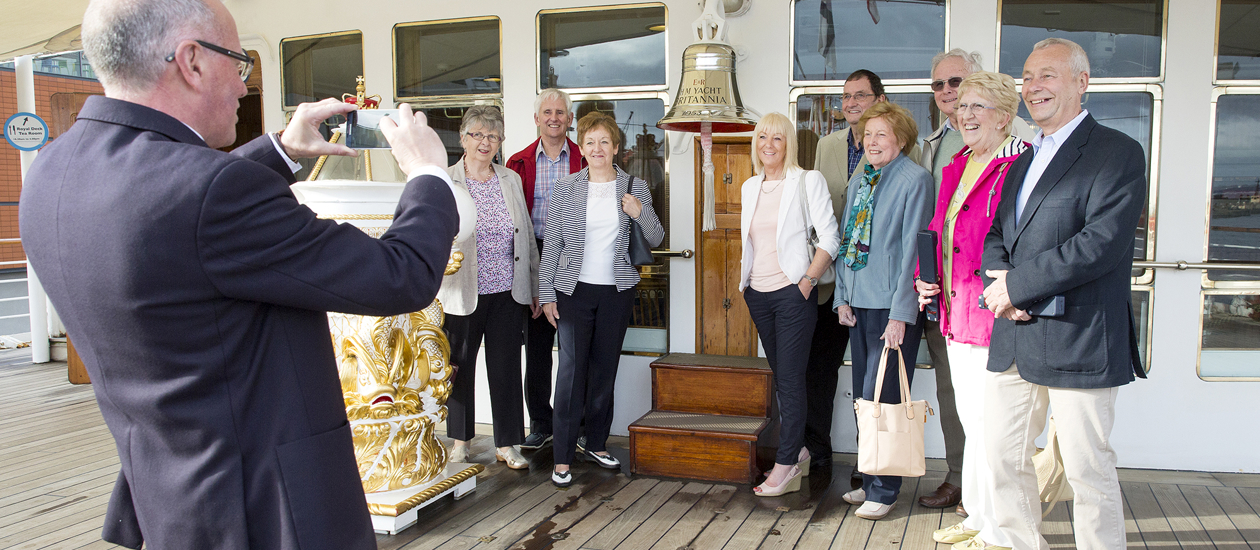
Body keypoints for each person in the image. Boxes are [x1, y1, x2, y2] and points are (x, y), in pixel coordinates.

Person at [17, 0, 459, 548]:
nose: (245, 86)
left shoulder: (52, 174)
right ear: (192, 61)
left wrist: (281, 150)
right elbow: (401, 276)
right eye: (240, 61)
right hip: (268, 511)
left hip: (170, 498)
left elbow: (168, 209)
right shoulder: (209, 193)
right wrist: (428, 175)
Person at [980, 38, 1147, 550]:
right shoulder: (1020, 160)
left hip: (1079, 336)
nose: (1034, 87)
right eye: (1028, 77)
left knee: (1086, 470)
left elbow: (1099, 244)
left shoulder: (1117, 152)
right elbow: (996, 235)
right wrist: (1000, 278)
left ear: (1082, 81)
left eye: (1048, 75)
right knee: (1001, 459)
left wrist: (1016, 288)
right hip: (1015, 336)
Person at [915, 71, 1029, 550]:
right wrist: (926, 278)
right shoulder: (956, 164)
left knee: (994, 430)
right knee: (969, 418)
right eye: (962, 107)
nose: (965, 115)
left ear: (1005, 117)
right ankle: (980, 515)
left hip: (994, 316)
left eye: (978, 107)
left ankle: (1002, 528)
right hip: (954, 313)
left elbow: (1022, 242)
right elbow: (941, 235)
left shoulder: (1019, 165)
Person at [539, 112, 663, 487]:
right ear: (581, 146)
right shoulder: (566, 188)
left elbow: (655, 238)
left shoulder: (634, 186)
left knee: (604, 370)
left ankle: (595, 442)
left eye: (604, 142)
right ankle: (562, 456)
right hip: (573, 291)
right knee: (571, 373)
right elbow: (553, 247)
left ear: (616, 148)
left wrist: (639, 212)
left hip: (616, 292)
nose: (597, 149)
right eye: (590, 142)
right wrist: (546, 295)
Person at [833, 102, 933, 520]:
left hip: (892, 307)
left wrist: (900, 314)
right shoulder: (862, 179)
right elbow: (844, 240)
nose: (871, 142)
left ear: (902, 140)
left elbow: (913, 249)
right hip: (859, 303)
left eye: (881, 135)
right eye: (867, 135)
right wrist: (841, 296)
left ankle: (886, 489)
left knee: (887, 396)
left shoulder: (916, 180)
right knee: (865, 397)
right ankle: (870, 473)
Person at [739, 112, 840, 497]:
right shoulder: (751, 186)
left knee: (792, 380)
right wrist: (746, 285)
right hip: (758, 294)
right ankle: (796, 449)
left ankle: (786, 464)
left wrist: (807, 281)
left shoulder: (806, 180)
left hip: (792, 294)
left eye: (777, 138)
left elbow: (830, 238)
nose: (769, 145)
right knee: (782, 376)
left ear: (789, 144)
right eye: (762, 137)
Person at [440, 106, 537, 470]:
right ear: (463, 139)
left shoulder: (509, 179)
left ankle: (507, 443)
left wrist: (536, 287)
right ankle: (460, 442)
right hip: (460, 292)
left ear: (500, 142)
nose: (485, 142)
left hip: (508, 293)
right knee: (459, 367)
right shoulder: (445, 181)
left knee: (506, 368)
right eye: (478, 135)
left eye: (492, 136)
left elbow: (525, 234)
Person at [804, 69, 885, 477]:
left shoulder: (895, 145)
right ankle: (818, 454)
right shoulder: (826, 144)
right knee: (819, 372)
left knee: (871, 379)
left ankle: (869, 464)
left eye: (861, 96)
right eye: (846, 97)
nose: (851, 103)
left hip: (871, 282)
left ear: (879, 99)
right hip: (828, 280)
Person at [913, 48, 983, 513]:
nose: (946, 93)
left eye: (955, 82)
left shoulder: (1007, 140)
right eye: (938, 85)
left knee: (983, 396)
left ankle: (981, 487)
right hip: (937, 291)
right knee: (948, 389)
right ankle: (960, 477)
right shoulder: (930, 145)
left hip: (980, 295)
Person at [506, 88, 586, 451]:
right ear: (536, 119)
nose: (554, 117)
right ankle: (541, 423)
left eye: (560, 112)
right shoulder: (517, 162)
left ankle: (578, 424)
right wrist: (529, 277)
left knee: (576, 348)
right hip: (534, 256)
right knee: (537, 350)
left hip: (578, 258)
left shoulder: (587, 159)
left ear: (570, 120)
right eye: (547, 112)